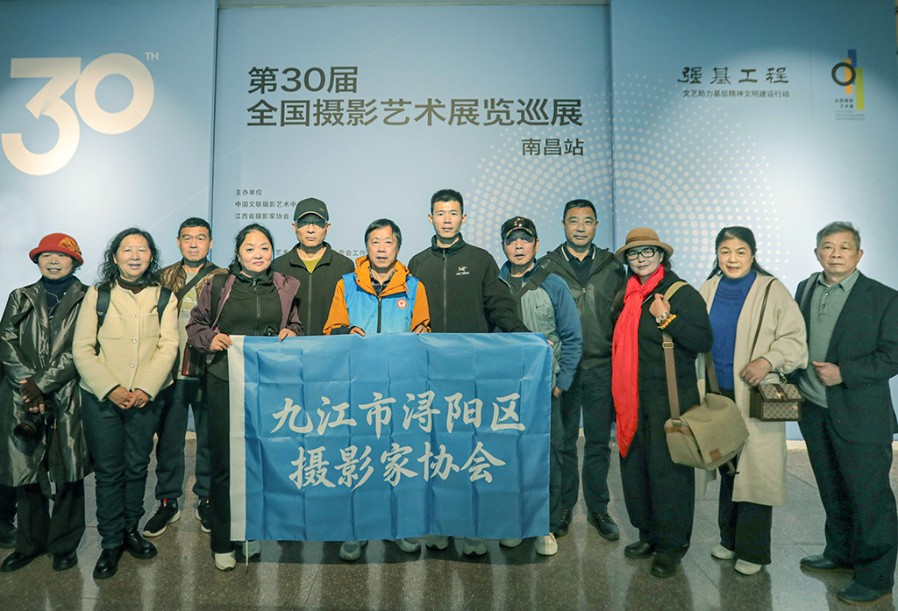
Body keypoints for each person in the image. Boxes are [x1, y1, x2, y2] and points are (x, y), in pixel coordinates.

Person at [407, 188, 527, 557]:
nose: (447, 219)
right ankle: (439, 526)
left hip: (472, 373)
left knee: (472, 451)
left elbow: (499, 306)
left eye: (453, 213)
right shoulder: (417, 263)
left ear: (463, 217)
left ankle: (473, 528)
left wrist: (523, 335)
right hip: (428, 373)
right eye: (440, 213)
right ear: (430, 218)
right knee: (434, 453)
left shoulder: (480, 260)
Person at [187, 223, 302, 571]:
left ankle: (251, 531)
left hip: (268, 384)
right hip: (225, 380)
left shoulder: (284, 286)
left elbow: (295, 325)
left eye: (264, 247)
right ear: (238, 253)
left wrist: (291, 332)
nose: (258, 254)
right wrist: (210, 340)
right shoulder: (219, 285)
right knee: (225, 462)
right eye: (250, 248)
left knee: (260, 460)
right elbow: (195, 326)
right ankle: (224, 540)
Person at [794, 222, 898, 606]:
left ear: (859, 254)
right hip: (814, 409)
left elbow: (893, 355)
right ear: (817, 252)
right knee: (832, 487)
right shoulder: (805, 288)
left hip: (861, 415)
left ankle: (875, 577)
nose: (835, 253)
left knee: (870, 498)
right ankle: (839, 552)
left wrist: (845, 373)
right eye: (828, 246)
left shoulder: (884, 298)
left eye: (844, 247)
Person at [698, 226, 807, 576]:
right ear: (717, 254)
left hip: (756, 393)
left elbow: (795, 341)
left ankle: (754, 551)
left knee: (757, 472)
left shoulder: (772, 289)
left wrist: (767, 360)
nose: (732, 259)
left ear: (753, 254)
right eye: (725, 251)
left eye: (740, 251)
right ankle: (729, 540)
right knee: (729, 468)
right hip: (718, 394)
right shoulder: (708, 288)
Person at [72, 228, 179, 579]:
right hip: (102, 400)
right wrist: (111, 388)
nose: (135, 256)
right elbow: (82, 348)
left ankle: (131, 529)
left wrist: (146, 387)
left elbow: (168, 347)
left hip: (145, 399)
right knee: (108, 471)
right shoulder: (98, 295)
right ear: (115, 257)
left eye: (142, 250)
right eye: (127, 249)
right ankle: (110, 541)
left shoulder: (164, 297)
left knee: (137, 466)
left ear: (151, 256)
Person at [323, 218, 430, 561]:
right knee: (358, 459)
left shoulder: (414, 287)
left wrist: (422, 334)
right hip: (357, 386)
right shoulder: (347, 284)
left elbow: (424, 329)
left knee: (398, 459)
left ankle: (398, 528)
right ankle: (356, 530)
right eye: (375, 242)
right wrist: (346, 331)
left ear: (398, 247)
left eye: (388, 242)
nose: (382, 249)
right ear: (366, 247)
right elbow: (331, 329)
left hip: (399, 386)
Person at [611, 227, 712, 578]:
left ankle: (671, 546)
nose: (640, 259)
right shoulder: (628, 295)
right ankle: (649, 535)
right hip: (633, 399)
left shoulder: (680, 293)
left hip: (669, 400)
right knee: (637, 471)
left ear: (661, 256)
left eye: (647, 252)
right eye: (633, 253)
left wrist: (667, 318)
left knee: (669, 476)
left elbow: (702, 340)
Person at [0, 233, 88, 572]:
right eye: (46, 255)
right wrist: (28, 384)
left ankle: (64, 545)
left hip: (68, 393)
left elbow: (81, 347)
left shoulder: (88, 298)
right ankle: (29, 543)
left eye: (62, 256)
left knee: (68, 472)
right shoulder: (20, 296)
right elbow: (6, 339)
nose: (53, 261)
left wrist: (41, 384)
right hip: (21, 395)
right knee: (27, 472)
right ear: (37, 260)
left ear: (75, 262)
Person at [538, 199, 625, 541]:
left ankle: (598, 509)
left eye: (587, 221)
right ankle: (562, 507)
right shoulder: (547, 266)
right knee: (563, 443)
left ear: (596, 225)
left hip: (602, 366)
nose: (580, 228)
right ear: (563, 224)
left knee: (599, 442)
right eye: (573, 221)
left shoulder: (612, 266)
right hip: (565, 369)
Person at [497, 216, 582, 556]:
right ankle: (515, 522)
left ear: (536, 244)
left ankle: (544, 525)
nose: (518, 246)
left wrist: (561, 384)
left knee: (548, 458)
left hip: (546, 391)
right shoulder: (494, 284)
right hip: (504, 392)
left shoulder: (554, 284)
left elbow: (572, 338)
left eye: (525, 239)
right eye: (511, 240)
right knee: (509, 458)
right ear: (503, 245)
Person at [143, 218, 225, 539]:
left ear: (211, 242)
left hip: (209, 370)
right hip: (170, 372)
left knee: (209, 439)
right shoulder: (162, 278)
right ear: (178, 241)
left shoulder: (224, 277)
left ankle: (206, 498)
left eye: (200, 238)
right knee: (169, 440)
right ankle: (167, 501)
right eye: (187, 238)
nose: (193, 243)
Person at [272, 197, 354, 336]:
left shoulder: (344, 265)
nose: (311, 230)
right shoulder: (278, 266)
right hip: (289, 345)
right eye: (304, 223)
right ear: (294, 227)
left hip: (332, 346)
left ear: (327, 228)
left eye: (318, 223)